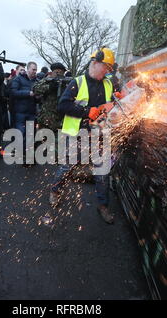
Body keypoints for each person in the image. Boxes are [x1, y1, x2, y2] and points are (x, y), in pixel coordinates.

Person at [49, 48, 116, 224]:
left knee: (102, 172)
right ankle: (55, 191)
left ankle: (103, 205)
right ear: (95, 62)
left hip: (99, 134)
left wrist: (118, 99)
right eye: (106, 67)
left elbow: (112, 103)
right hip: (77, 133)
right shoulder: (77, 82)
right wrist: (87, 112)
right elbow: (62, 106)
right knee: (67, 167)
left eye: (109, 69)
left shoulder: (108, 84)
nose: (107, 71)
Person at [10, 61, 38, 164]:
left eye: (36, 69)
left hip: (31, 112)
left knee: (30, 136)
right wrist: (28, 93)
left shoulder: (37, 81)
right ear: (28, 69)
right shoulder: (18, 79)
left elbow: (37, 98)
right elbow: (13, 92)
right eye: (33, 69)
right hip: (20, 112)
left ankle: (29, 158)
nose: (35, 71)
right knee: (20, 135)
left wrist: (38, 97)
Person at [33, 62, 68, 133]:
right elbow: (35, 89)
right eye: (57, 72)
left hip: (62, 118)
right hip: (47, 117)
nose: (59, 74)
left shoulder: (66, 81)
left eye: (61, 72)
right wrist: (49, 87)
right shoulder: (47, 80)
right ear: (53, 72)